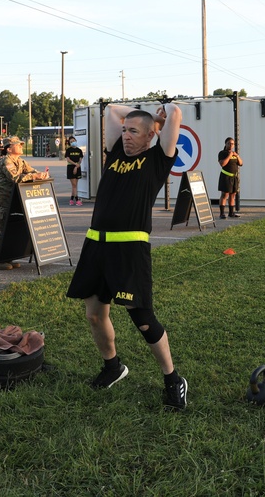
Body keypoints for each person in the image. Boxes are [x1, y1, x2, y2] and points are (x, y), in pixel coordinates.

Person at [66, 102, 189, 411]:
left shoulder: (158, 159)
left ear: (151, 135)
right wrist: (138, 113)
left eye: (134, 131)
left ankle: (173, 380)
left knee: (142, 318)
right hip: (97, 245)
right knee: (94, 314)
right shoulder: (117, 154)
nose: (126, 136)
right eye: (124, 130)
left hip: (129, 249)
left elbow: (175, 112)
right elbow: (110, 112)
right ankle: (113, 367)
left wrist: (158, 118)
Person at [0, 136, 48, 270]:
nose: (20, 146)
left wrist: (41, 174)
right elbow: (15, 178)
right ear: (9, 148)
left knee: (9, 228)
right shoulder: (6, 161)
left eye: (21, 144)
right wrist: (34, 176)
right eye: (17, 144)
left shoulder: (20, 161)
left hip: (9, 199)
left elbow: (31, 171)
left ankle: (7, 257)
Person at [217, 136, 243, 219]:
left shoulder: (235, 153)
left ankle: (231, 213)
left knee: (233, 195)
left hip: (234, 177)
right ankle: (222, 213)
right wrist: (229, 155)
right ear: (225, 144)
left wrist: (237, 156)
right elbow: (222, 164)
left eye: (232, 144)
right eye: (229, 143)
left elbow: (241, 163)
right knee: (225, 195)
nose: (231, 145)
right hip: (226, 176)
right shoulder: (222, 153)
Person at [64, 136, 84, 206]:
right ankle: (77, 199)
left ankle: (71, 199)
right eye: (71, 142)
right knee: (74, 184)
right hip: (70, 167)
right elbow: (68, 159)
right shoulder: (68, 150)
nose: (73, 142)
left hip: (77, 168)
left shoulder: (79, 150)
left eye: (74, 141)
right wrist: (75, 164)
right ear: (69, 143)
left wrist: (77, 165)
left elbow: (80, 159)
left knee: (75, 185)